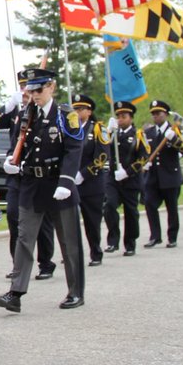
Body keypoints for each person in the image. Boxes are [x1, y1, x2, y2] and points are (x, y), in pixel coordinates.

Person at [0, 67, 86, 313]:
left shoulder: (65, 115)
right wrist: (11, 162)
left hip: (58, 185)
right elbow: (17, 145)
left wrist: (66, 182)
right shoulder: (26, 115)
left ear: (52, 87)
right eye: (30, 90)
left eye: (39, 89)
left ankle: (75, 291)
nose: (34, 95)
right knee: (24, 239)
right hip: (31, 186)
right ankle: (15, 292)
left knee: (69, 242)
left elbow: (74, 149)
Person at [0, 79, 57, 279]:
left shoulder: (45, 113)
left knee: (42, 221)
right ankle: (18, 265)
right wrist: (7, 107)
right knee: (13, 217)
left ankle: (46, 262)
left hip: (37, 176)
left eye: (30, 88)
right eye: (22, 88)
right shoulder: (16, 113)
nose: (26, 92)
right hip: (17, 178)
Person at [142, 100, 183, 248]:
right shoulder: (148, 132)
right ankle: (155, 236)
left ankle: (172, 237)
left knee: (172, 208)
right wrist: (145, 162)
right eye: (154, 114)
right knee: (150, 204)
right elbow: (144, 151)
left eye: (159, 113)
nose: (156, 116)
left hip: (170, 176)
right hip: (153, 177)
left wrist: (174, 139)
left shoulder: (175, 131)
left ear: (166, 114)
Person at [103, 101, 148, 256]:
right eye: (118, 116)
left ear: (131, 118)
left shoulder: (138, 135)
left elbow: (143, 159)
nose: (121, 119)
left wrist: (127, 172)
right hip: (113, 178)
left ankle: (130, 243)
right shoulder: (112, 134)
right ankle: (113, 240)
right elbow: (102, 149)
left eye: (124, 116)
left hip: (130, 179)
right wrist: (107, 133)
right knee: (109, 205)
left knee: (131, 212)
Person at [71, 94, 109, 265]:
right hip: (72, 182)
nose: (77, 112)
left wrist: (84, 173)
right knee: (70, 222)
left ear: (89, 111)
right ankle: (73, 253)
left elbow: (102, 157)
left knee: (91, 221)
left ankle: (96, 252)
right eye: (75, 109)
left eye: (80, 109)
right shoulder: (70, 129)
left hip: (92, 183)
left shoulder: (97, 129)